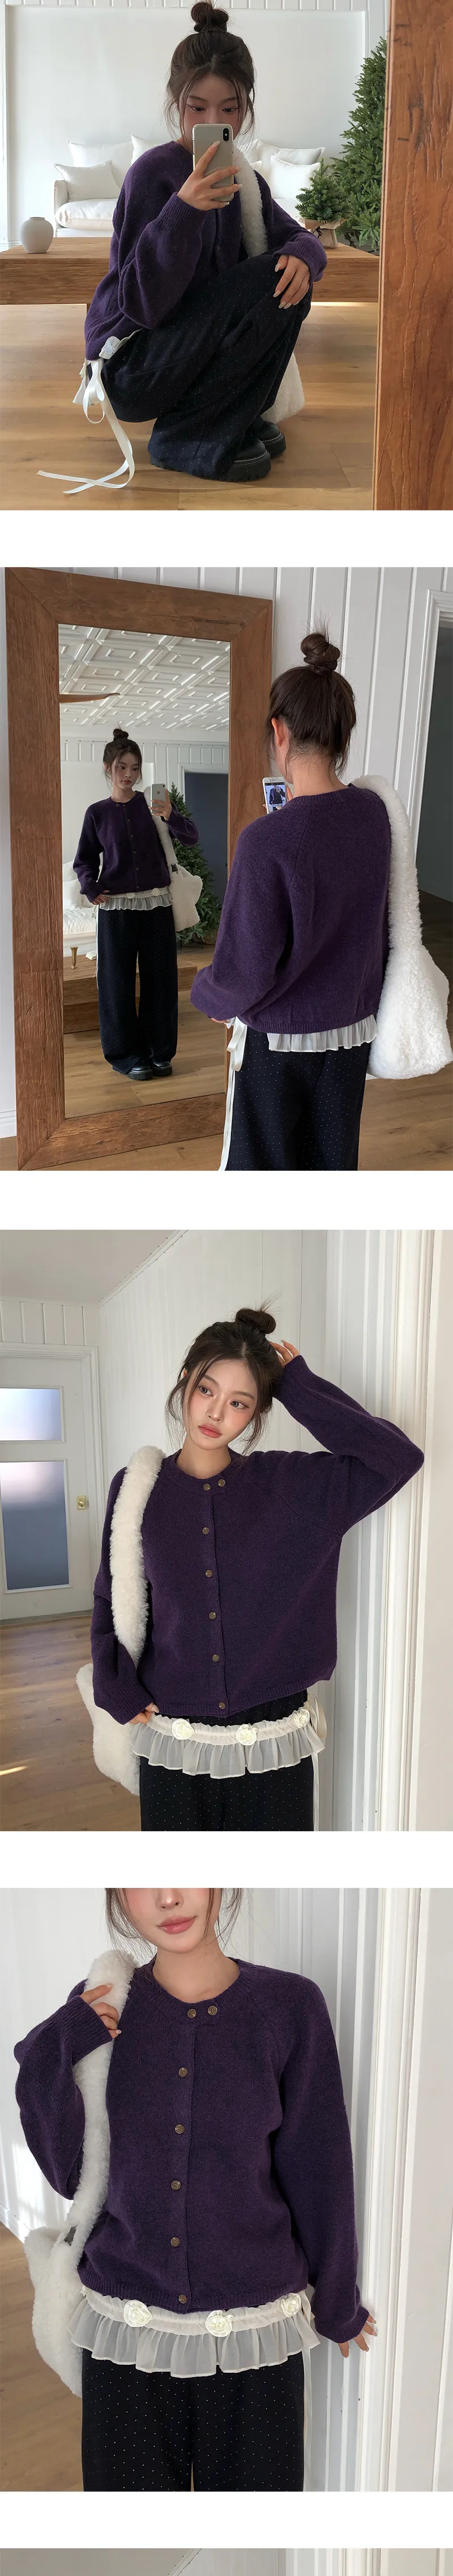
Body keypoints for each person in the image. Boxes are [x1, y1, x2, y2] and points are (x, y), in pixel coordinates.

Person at [15, 1887, 374, 2496]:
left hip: (254, 2340)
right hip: (124, 2334)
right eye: (144, 1879)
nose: (169, 1897)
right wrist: (63, 2042)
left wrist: (338, 2303)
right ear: (119, 1896)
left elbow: (319, 2166)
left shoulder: (289, 2007)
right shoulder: (103, 2003)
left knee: (251, 2531)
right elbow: (66, 2169)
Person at [81, 1300, 424, 1832]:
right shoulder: (137, 1488)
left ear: (258, 1411)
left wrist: (297, 1387)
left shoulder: (292, 1486)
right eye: (207, 1389)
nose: (216, 1413)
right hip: (172, 1742)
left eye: (240, 1402)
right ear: (185, 1380)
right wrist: (113, 1683)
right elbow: (111, 1593)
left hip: (273, 1748)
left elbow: (398, 1458)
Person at [195, 629, 452, 1167]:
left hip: (277, 1047)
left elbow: (244, 972)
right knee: (332, 1165)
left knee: (262, 1173)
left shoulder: (265, 840)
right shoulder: (375, 816)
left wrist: (209, 995)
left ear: (279, 731)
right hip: (352, 1037)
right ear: (342, 733)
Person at [81, 0, 326, 487]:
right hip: (131, 363)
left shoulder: (243, 179)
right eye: (198, 108)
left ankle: (228, 415)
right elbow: (142, 306)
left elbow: (300, 238)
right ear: (177, 104)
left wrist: (304, 254)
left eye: (229, 109)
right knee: (269, 276)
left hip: (187, 350)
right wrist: (183, 210)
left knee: (289, 276)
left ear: (246, 107)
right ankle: (185, 437)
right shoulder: (152, 174)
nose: (213, 120)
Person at [73, 724, 198, 1079]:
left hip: (157, 905)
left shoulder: (153, 805)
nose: (129, 775)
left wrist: (171, 814)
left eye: (135, 768)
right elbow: (84, 860)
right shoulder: (97, 813)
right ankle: (126, 1056)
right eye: (121, 767)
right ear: (108, 769)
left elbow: (191, 837)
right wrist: (90, 886)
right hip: (116, 910)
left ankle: (160, 1051)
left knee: (161, 981)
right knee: (117, 984)